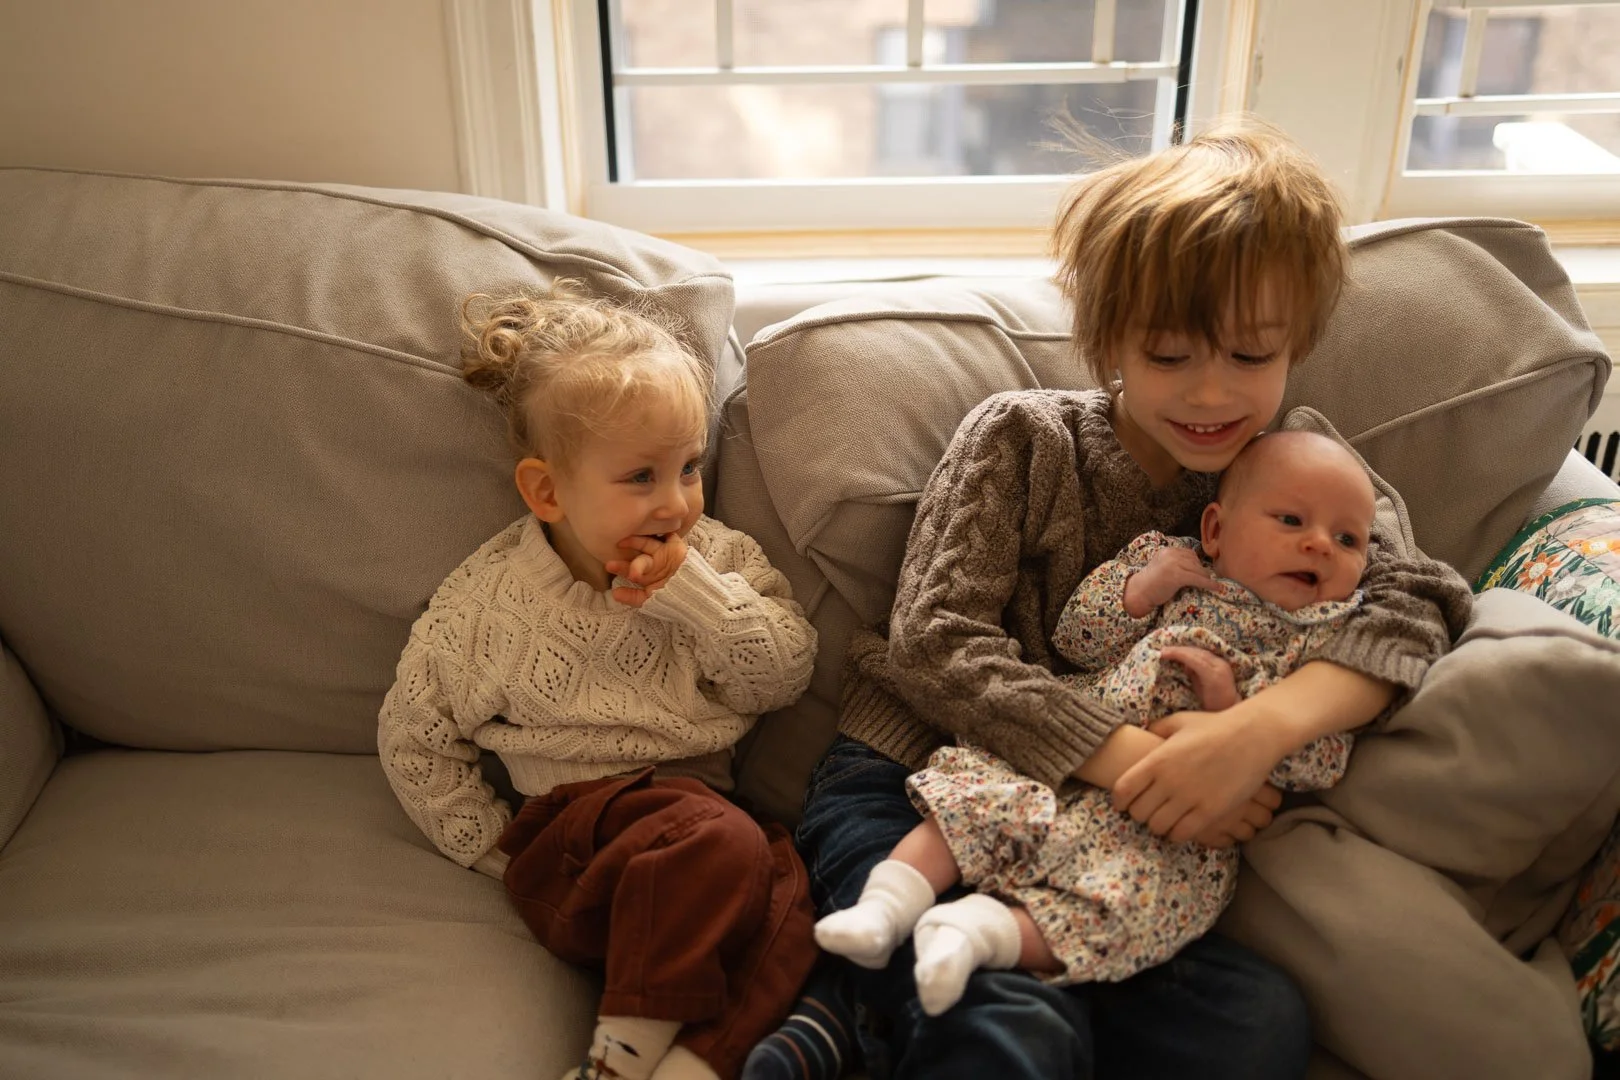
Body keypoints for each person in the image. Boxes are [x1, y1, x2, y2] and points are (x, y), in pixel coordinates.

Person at [742, 121, 1473, 1080]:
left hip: (1117, 847)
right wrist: (1137, 762)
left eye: (1251, 356)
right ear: (1108, 336)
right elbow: (937, 645)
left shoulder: (1302, 475)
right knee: (1012, 1030)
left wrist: (1250, 740)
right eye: (1170, 355)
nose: (1213, 391)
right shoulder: (1022, 441)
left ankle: (854, 1019)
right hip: (917, 784)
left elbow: (1420, 601)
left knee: (1256, 1026)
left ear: (1296, 344)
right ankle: (870, 1004)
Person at [378, 282, 820, 1080]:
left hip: (705, 838)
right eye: (641, 478)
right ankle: (618, 1058)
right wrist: (496, 855)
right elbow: (414, 733)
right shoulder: (491, 605)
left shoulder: (717, 563)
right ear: (548, 491)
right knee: (723, 842)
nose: (677, 503)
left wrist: (694, 597)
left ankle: (691, 1067)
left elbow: (782, 675)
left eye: (689, 468)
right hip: (573, 841)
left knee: (791, 903)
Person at [814, 430, 1377, 1016]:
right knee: (974, 797)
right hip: (1072, 739)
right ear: (1215, 530)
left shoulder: (1325, 637)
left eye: (1348, 539)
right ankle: (886, 902)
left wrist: (1237, 716)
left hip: (1165, 819)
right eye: (1291, 521)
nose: (1319, 545)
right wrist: (1140, 590)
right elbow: (1074, 638)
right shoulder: (1173, 563)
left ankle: (977, 935)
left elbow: (1323, 756)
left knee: (1143, 903)